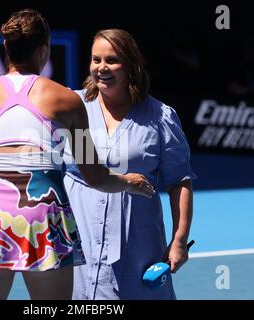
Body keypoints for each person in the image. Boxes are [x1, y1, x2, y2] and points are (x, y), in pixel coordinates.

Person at [0, 9, 154, 300]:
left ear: (7, 47)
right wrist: (128, 182)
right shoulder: (68, 100)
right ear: (43, 49)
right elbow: (95, 176)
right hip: (43, 214)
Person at [62, 29, 196, 300]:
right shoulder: (70, 106)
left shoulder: (161, 117)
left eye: (111, 60)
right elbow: (26, 136)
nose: (102, 68)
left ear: (132, 65)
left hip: (138, 246)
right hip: (78, 244)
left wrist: (179, 239)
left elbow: (179, 181)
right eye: (96, 59)